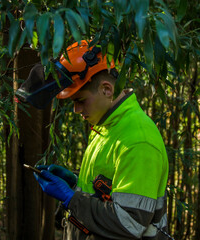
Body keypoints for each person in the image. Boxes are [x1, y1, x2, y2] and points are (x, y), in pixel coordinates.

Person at [19, 40, 169, 239]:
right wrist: (74, 183)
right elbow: (107, 192)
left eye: (80, 101)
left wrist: (71, 198)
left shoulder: (138, 141)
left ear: (107, 90)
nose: (76, 110)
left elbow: (130, 223)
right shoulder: (106, 126)